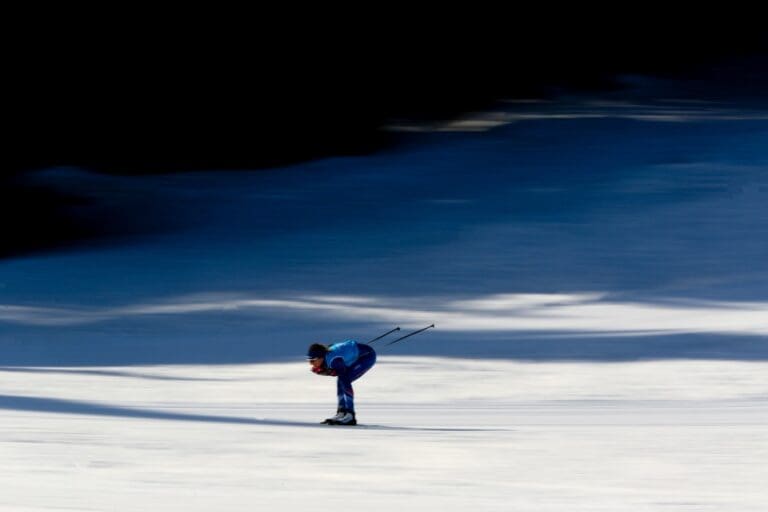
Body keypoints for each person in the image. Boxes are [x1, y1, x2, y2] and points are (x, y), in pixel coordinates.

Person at [306, 339, 377, 425]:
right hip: (360, 351)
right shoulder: (326, 355)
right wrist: (327, 370)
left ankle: (350, 415)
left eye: (313, 360)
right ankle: (342, 412)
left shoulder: (333, 360)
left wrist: (329, 372)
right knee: (341, 382)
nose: (311, 363)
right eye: (309, 361)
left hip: (367, 356)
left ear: (320, 358)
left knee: (344, 381)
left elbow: (342, 375)